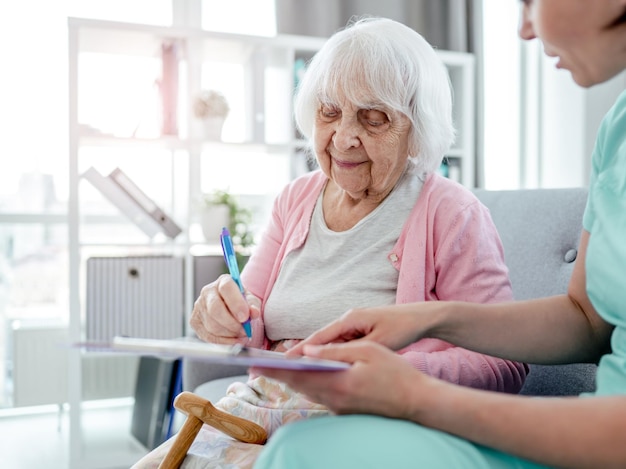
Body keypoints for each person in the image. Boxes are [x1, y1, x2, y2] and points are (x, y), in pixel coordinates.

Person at [132, 16, 527, 469]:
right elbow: (252, 318)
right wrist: (223, 314)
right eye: (329, 112)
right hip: (257, 411)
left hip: (365, 421)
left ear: (416, 127)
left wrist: (394, 373)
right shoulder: (295, 198)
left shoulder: (452, 213)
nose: (343, 137)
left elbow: (506, 365)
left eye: (373, 118)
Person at [252, 1, 626, 468]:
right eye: (330, 112)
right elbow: (587, 322)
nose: (524, 29)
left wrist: (414, 391)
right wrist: (429, 318)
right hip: (590, 427)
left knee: (302, 451)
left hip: (601, 440)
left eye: (531, 0)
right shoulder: (616, 130)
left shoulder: (448, 209)